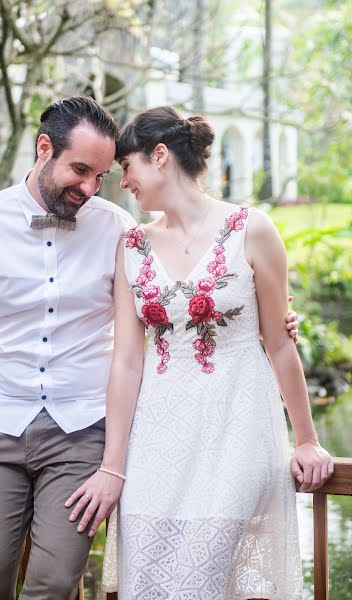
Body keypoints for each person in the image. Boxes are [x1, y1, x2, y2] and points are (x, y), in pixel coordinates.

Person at [0, 97, 300, 600]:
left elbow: (177, 304)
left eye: (102, 175)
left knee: (54, 583)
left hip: (80, 433)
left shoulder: (120, 231)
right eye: (81, 170)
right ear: (44, 148)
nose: (91, 188)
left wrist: (262, 323)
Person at [66, 107, 333, 599]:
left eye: (127, 167)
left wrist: (307, 439)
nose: (122, 182)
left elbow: (278, 341)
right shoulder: (133, 245)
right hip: (155, 442)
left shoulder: (252, 229)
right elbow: (126, 360)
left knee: (200, 581)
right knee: (146, 583)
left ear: (160, 156)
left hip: (235, 430)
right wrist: (113, 464)